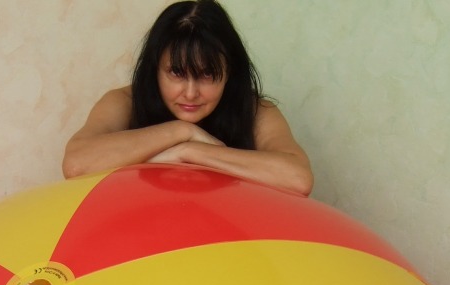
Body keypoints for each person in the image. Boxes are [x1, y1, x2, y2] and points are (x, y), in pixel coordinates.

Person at [62, 0, 313, 196]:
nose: (191, 93)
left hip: (231, 242)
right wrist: (180, 131)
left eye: (207, 75)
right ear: (155, 69)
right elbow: (76, 164)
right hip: (139, 238)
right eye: (177, 73)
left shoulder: (256, 110)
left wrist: (190, 152)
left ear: (229, 73)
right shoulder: (124, 101)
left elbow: (297, 179)